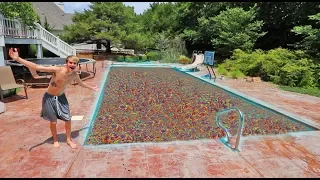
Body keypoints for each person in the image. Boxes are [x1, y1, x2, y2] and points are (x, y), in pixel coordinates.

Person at [8, 48, 98, 149]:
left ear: (77, 65)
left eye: (74, 63)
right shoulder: (57, 70)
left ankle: (68, 140)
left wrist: (92, 87)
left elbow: (81, 84)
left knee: (68, 119)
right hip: (49, 98)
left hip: (61, 98)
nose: (72, 65)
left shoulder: (74, 75)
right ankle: (55, 139)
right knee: (53, 121)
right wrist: (18, 58)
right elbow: (37, 67)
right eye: (70, 63)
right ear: (66, 63)